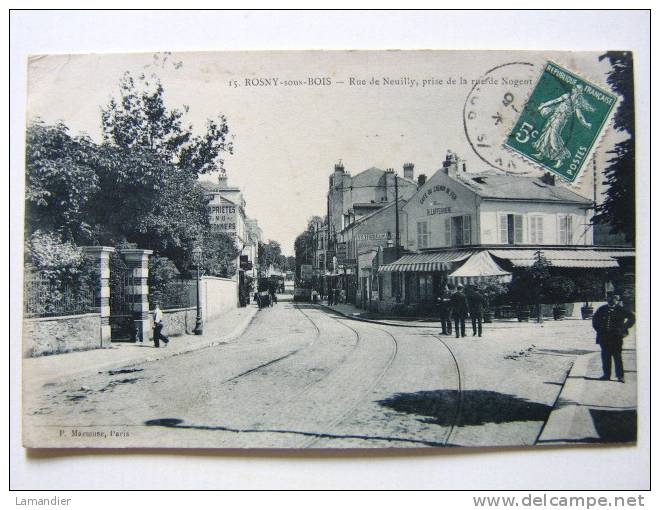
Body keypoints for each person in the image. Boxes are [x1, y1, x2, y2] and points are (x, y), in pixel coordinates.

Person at [592, 292, 635, 383]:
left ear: (617, 299)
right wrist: (599, 330)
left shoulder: (621, 309)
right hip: (604, 337)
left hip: (617, 337)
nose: (612, 300)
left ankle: (620, 376)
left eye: (614, 298)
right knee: (605, 356)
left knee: (617, 356)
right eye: (610, 298)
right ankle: (606, 375)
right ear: (607, 299)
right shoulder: (602, 309)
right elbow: (595, 320)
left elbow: (632, 318)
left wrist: (624, 327)